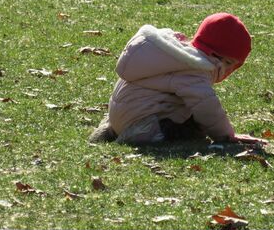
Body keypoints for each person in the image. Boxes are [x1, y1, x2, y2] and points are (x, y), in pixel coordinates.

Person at [89, 12, 260, 145]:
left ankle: (114, 129)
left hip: (121, 116)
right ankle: (138, 134)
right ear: (219, 58)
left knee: (185, 111)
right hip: (144, 124)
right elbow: (206, 105)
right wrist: (226, 135)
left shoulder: (171, 55)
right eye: (230, 64)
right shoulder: (195, 68)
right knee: (193, 129)